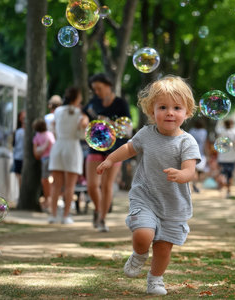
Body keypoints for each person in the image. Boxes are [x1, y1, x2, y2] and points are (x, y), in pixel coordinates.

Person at [96, 76, 200, 296]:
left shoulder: (187, 142)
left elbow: (190, 170)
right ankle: (139, 254)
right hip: (145, 196)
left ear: (187, 112)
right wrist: (110, 160)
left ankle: (155, 279)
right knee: (143, 234)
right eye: (163, 107)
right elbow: (128, 148)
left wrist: (182, 174)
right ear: (152, 111)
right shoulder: (146, 134)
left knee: (163, 248)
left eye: (176, 108)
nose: (170, 112)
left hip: (173, 203)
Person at [83, 73, 131, 232]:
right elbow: (84, 115)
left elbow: (128, 128)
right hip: (95, 146)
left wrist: (110, 122)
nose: (96, 92)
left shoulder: (120, 103)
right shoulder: (93, 102)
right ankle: (98, 210)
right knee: (91, 185)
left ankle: (102, 219)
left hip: (115, 149)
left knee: (106, 185)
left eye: (99, 88)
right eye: (94, 89)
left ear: (108, 85)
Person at [49, 87, 89, 224]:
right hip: (72, 147)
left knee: (56, 185)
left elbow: (54, 127)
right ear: (77, 98)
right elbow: (84, 129)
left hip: (58, 146)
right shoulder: (80, 113)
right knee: (70, 186)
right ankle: (66, 216)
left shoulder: (58, 111)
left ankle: (53, 215)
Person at [32, 118, 55, 212]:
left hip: (44, 159)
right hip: (52, 159)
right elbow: (53, 144)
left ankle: (47, 200)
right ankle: (50, 201)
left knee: (45, 179)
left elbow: (35, 152)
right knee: (51, 179)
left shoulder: (36, 136)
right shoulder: (49, 134)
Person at [216, 119, 235, 198]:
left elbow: (218, 144)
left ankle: (222, 187)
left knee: (223, 173)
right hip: (232, 157)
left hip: (222, 157)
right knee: (230, 175)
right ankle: (228, 190)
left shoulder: (221, 133)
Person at [188, 119, 207, 193]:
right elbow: (205, 143)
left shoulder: (192, 131)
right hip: (201, 153)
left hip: (192, 153)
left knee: (194, 170)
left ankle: (194, 185)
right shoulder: (204, 132)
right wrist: (207, 154)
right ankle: (196, 185)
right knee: (200, 171)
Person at [12, 111, 26, 190]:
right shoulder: (17, 131)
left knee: (21, 177)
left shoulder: (19, 132)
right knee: (19, 176)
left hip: (21, 157)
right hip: (19, 157)